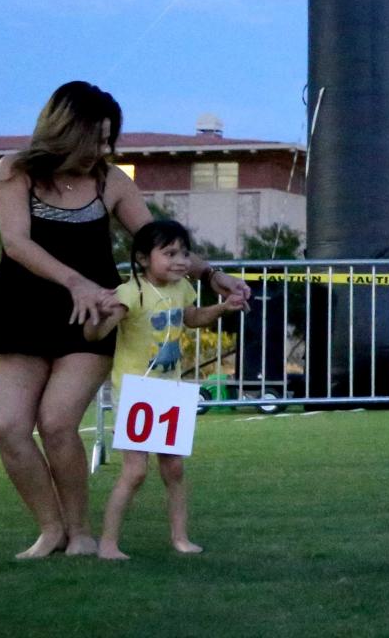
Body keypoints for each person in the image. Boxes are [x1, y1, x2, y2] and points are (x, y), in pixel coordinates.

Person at [0, 81, 251, 558]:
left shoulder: (112, 181)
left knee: (56, 424)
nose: (103, 149)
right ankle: (50, 529)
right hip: (22, 310)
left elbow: (155, 241)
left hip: (94, 315)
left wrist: (212, 274)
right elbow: (17, 243)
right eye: (94, 138)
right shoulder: (14, 170)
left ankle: (80, 533)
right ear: (63, 130)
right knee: (8, 426)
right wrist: (74, 282)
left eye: (108, 140)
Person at [85, 220, 247, 560]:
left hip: (170, 390)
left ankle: (180, 538)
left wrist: (221, 308)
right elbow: (95, 335)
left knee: (174, 469)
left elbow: (192, 318)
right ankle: (109, 544)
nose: (180, 260)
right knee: (136, 471)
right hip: (136, 391)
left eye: (184, 253)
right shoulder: (129, 293)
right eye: (170, 253)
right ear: (143, 259)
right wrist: (99, 316)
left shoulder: (182, 288)